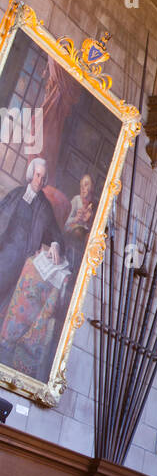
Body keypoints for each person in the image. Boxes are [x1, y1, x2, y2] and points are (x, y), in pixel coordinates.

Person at [0, 158, 62, 328]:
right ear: (31, 175)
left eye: (43, 178)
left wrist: (55, 244)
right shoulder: (17, 193)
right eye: (37, 175)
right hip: (3, 243)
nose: (39, 181)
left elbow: (56, 233)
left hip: (21, 254)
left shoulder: (45, 206)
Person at [0, 238, 72, 379]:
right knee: (30, 271)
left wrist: (57, 245)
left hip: (60, 269)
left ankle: (22, 344)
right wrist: (52, 244)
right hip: (27, 253)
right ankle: (8, 337)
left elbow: (65, 236)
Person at [63, 173, 96, 275]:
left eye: (86, 185)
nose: (83, 188)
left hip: (84, 235)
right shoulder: (76, 200)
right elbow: (65, 222)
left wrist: (89, 220)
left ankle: (81, 270)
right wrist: (76, 218)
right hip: (73, 230)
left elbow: (94, 229)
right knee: (79, 232)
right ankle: (72, 267)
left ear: (92, 188)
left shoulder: (94, 205)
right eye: (81, 186)